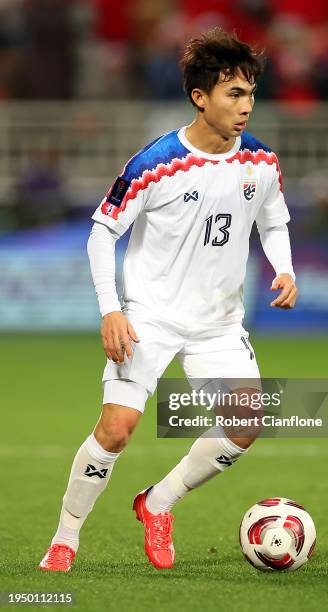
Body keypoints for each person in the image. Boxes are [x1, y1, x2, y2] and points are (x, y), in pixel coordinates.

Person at [38, 27, 297, 573]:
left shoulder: (262, 162)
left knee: (244, 425)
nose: (246, 105)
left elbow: (274, 223)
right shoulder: (155, 163)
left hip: (220, 325)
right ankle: (65, 538)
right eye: (234, 94)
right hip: (150, 319)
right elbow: (101, 232)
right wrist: (111, 308)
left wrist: (286, 268)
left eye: (251, 93)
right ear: (200, 98)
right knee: (116, 429)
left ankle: (158, 503)